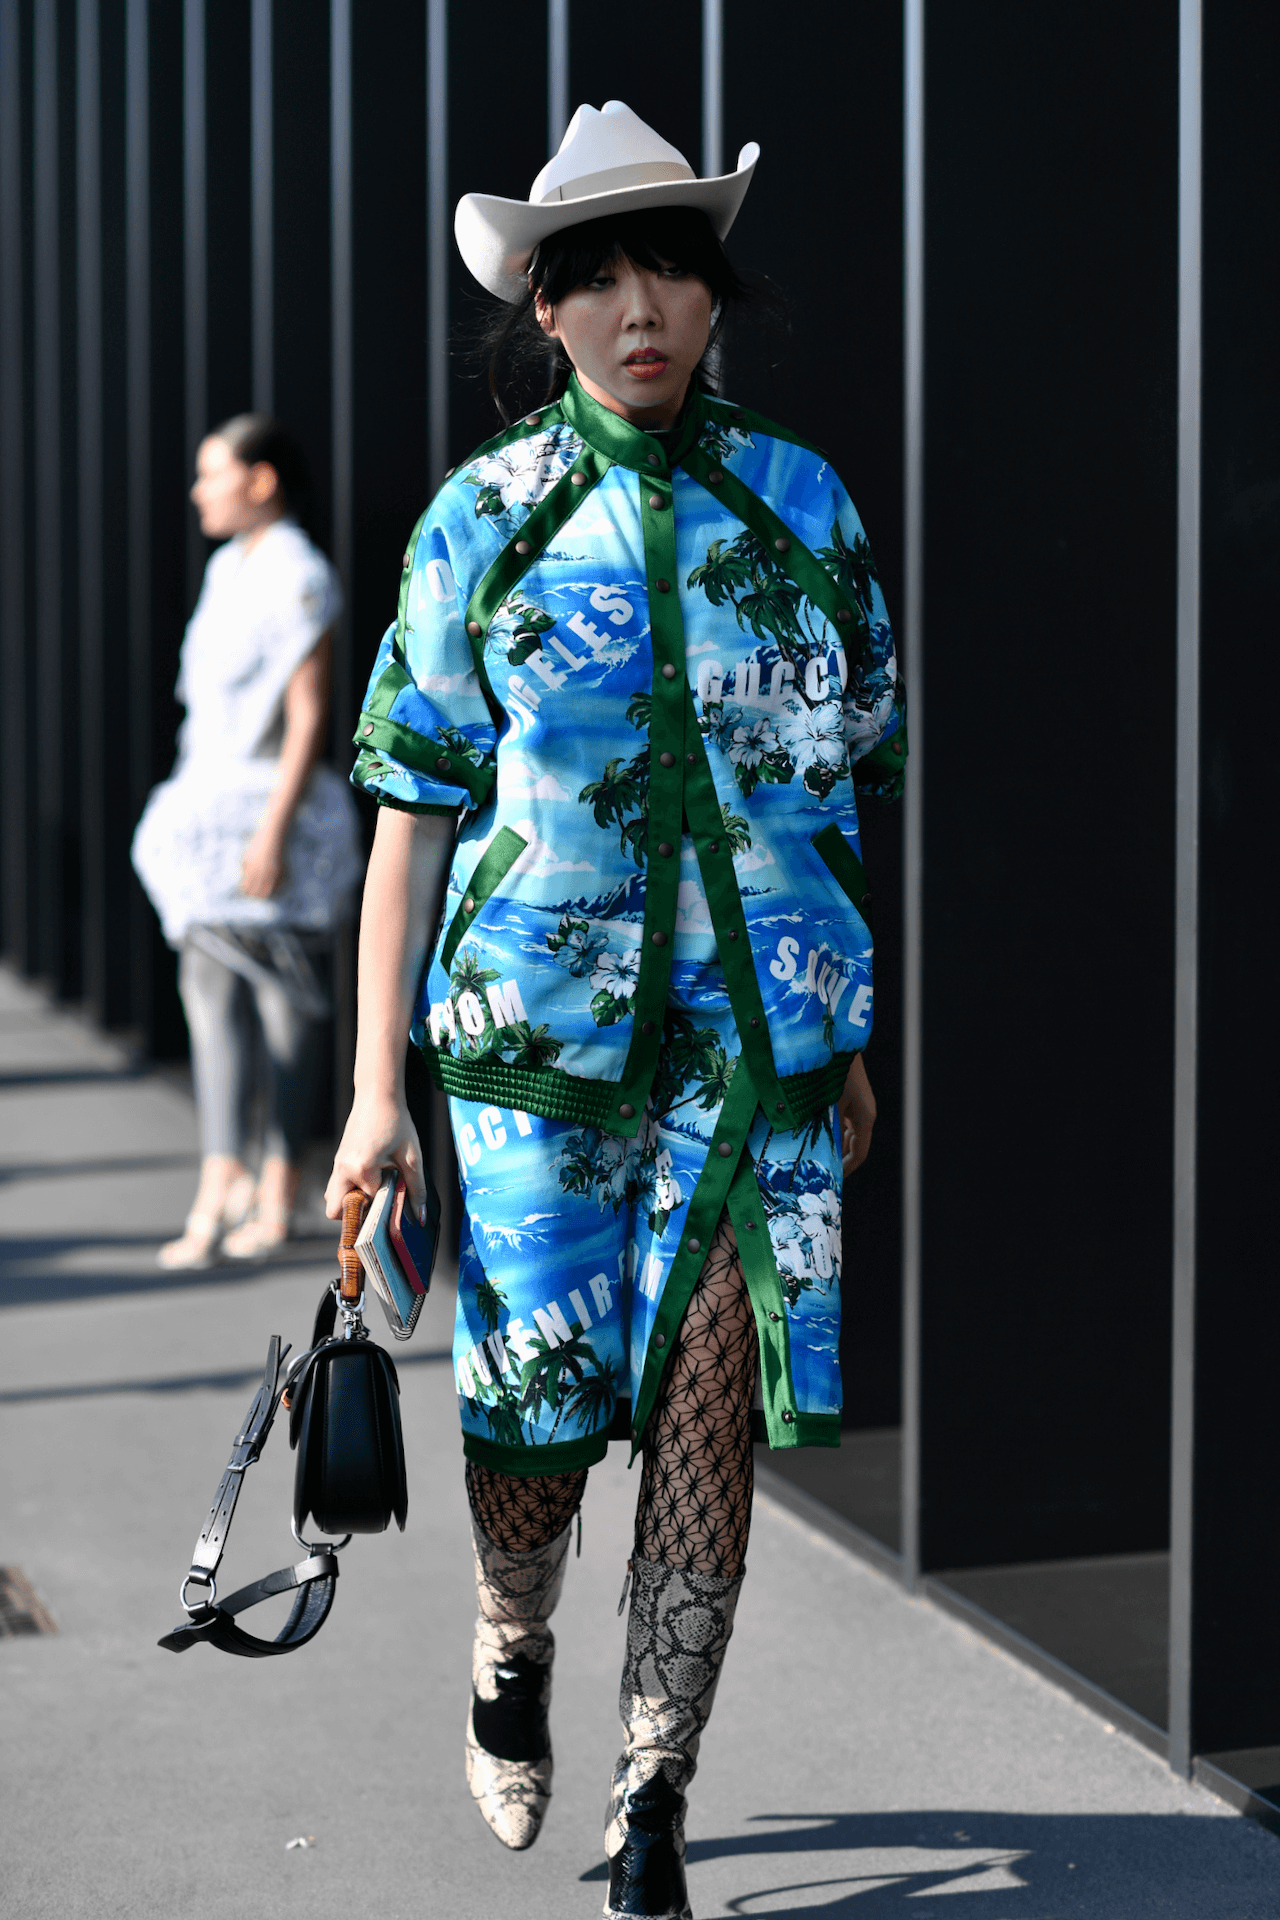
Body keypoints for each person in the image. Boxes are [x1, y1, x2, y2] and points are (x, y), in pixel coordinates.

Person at [326, 101, 906, 1920]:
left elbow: (837, 786)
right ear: (546, 308)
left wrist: (847, 1031)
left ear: (716, 294)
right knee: (535, 1422)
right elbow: (409, 818)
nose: (641, 309)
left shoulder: (805, 503)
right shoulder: (482, 521)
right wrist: (373, 1096)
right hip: (529, 1049)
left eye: (673, 270)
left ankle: (656, 1792)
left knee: (715, 1408)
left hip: (760, 1051)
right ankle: (511, 1644)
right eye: (600, 279)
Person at [134, 416, 363, 1270]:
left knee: (284, 998)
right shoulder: (227, 567)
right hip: (208, 806)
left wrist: (273, 830)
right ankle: (223, 1173)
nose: (200, 491)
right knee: (207, 981)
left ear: (261, 479)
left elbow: (308, 715)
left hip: (273, 807)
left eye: (213, 473)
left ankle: (278, 1179)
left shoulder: (299, 574)